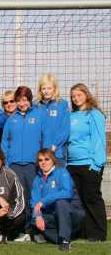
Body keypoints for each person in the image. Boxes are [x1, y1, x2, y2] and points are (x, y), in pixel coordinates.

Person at [1, 86, 47, 242]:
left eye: (25, 100)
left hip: (32, 165)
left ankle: (35, 230)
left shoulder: (39, 116)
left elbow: (45, 140)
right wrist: (7, 162)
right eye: (19, 100)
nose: (22, 103)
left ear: (30, 100)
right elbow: (4, 143)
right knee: (19, 198)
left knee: (34, 198)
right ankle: (22, 231)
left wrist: (42, 161)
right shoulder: (11, 119)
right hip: (15, 166)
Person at [67, 83, 107, 241]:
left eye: (79, 95)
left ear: (86, 95)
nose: (76, 98)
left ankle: (98, 234)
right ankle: (84, 232)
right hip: (72, 164)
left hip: (89, 164)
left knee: (92, 198)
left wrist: (96, 164)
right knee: (80, 201)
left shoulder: (94, 114)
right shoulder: (71, 116)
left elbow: (99, 140)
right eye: (73, 96)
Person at [31, 149, 85, 252]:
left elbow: (67, 192)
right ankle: (61, 237)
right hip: (53, 216)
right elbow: (34, 202)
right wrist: (38, 216)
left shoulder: (62, 172)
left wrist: (44, 201)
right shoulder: (37, 179)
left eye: (47, 159)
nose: (43, 162)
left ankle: (65, 240)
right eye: (40, 160)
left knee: (60, 203)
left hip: (72, 214)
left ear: (53, 161)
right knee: (33, 219)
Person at [36, 73, 70, 166]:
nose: (46, 91)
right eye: (43, 88)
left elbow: (65, 129)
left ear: (55, 89)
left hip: (57, 153)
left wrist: (55, 145)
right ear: (40, 90)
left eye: (49, 88)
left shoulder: (62, 104)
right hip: (40, 154)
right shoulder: (36, 106)